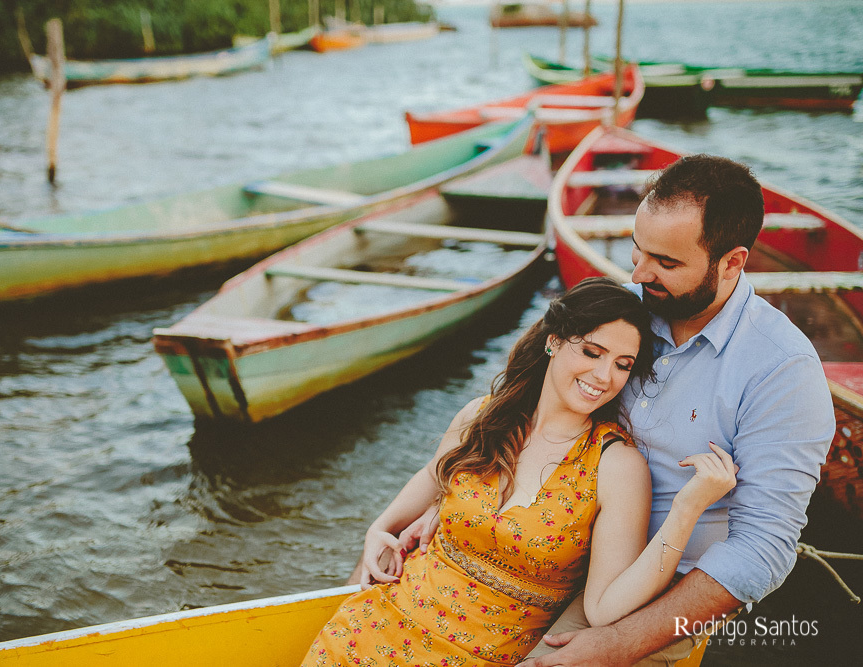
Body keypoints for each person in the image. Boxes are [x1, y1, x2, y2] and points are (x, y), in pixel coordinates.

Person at [303, 277, 739, 666]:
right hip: (375, 629)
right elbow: (433, 475)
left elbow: (605, 608)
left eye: (623, 364)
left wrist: (688, 509)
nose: (604, 375)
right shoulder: (483, 417)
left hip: (484, 655)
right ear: (554, 341)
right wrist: (379, 527)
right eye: (592, 351)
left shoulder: (615, 465)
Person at [515, 154, 836, 666]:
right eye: (637, 250)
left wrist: (619, 644)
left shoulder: (782, 371)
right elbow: (526, 401)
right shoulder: (627, 311)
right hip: (548, 537)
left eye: (666, 263)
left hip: (646, 596)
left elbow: (762, 551)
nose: (639, 274)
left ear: (732, 263)